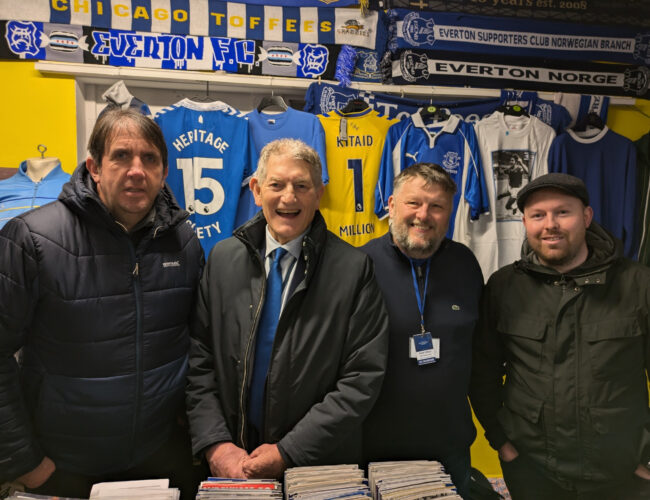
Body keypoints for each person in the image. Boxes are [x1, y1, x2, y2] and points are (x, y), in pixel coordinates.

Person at [0, 108, 204, 498]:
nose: (137, 170)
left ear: (163, 172)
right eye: (121, 156)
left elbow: (196, 346)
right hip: (62, 467)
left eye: (150, 159)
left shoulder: (185, 244)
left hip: (160, 459)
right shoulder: (31, 239)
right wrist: (25, 463)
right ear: (94, 167)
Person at [186, 138, 389, 479]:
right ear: (256, 190)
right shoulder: (221, 260)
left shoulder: (354, 270)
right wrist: (215, 444)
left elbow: (361, 378)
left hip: (316, 468)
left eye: (302, 186)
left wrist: (289, 451)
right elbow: (199, 362)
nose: (289, 197)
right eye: (276, 185)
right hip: (233, 461)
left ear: (319, 194)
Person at [470, 173, 650, 500]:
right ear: (525, 222)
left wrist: (647, 454)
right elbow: (482, 372)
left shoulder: (637, 284)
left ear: (586, 216)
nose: (550, 224)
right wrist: (502, 442)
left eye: (562, 212)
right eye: (538, 215)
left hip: (622, 472)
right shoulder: (504, 287)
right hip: (532, 472)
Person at [360, 163, 483, 499]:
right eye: (413, 203)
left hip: (450, 451)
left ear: (449, 213)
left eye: (437, 206)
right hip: (374, 452)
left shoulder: (465, 264)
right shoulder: (358, 266)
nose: (423, 215)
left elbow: (480, 355)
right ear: (391, 205)